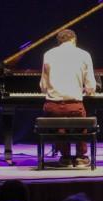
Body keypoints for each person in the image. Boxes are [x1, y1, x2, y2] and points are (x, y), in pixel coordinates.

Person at [39, 28, 96, 167]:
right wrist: (87, 91)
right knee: (80, 116)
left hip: (52, 107)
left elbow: (43, 86)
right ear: (74, 40)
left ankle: (65, 157)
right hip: (74, 106)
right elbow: (90, 87)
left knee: (59, 120)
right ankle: (81, 157)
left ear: (59, 42)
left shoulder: (48, 54)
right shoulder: (84, 54)